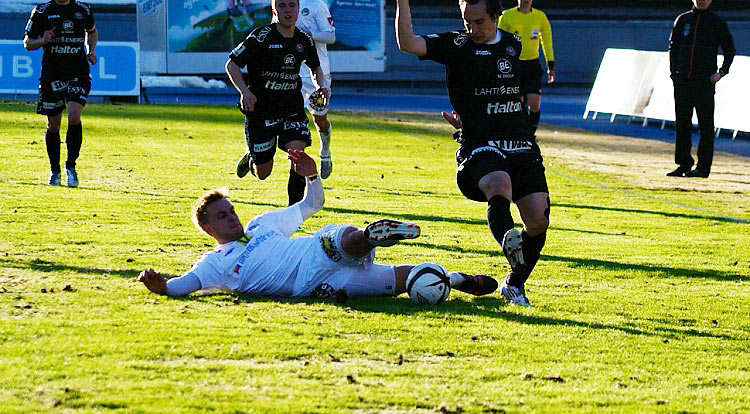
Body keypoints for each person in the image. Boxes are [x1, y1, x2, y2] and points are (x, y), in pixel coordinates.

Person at [394, 0, 551, 308]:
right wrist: (403, 0)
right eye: (467, 21)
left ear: (496, 16)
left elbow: (520, 92)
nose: (473, 28)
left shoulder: (512, 44)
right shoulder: (457, 45)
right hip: (479, 143)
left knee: (539, 218)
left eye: (479, 22)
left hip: (521, 143)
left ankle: (515, 284)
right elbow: (408, 43)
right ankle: (507, 238)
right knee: (499, 183)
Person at [138, 150, 497, 300]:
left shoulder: (262, 225)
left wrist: (311, 175)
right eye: (222, 216)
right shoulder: (214, 262)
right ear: (208, 228)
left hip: (317, 248)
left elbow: (312, 204)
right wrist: (161, 287)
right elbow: (183, 286)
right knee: (410, 282)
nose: (232, 217)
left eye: (231, 210)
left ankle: (371, 237)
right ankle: (456, 280)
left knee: (339, 239)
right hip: (320, 285)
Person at [227, 0, 327, 205]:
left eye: (292, 5)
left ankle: (294, 212)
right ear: (274, 11)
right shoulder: (260, 37)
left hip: (291, 107)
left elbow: (316, 67)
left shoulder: (304, 40)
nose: (288, 10)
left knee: (297, 155)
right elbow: (232, 65)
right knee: (263, 172)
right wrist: (245, 92)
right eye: (281, 6)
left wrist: (322, 85)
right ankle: (253, 156)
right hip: (261, 111)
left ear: (298, 9)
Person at [23, 0, 98, 188]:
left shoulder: (83, 10)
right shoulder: (41, 11)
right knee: (53, 124)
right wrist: (42, 40)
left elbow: (92, 31)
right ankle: (55, 170)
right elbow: (27, 43)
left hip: (78, 72)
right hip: (52, 74)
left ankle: (71, 166)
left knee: (74, 115)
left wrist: (90, 51)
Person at [667, 0, 735, 178]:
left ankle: (703, 167)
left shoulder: (717, 22)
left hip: (704, 82)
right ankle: (683, 163)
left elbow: (729, 49)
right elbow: (674, 48)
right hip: (683, 81)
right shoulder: (682, 20)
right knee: (682, 123)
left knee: (705, 126)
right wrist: (674, 74)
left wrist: (721, 72)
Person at [285, 0, 337, 180]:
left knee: (319, 118)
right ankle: (257, 151)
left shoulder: (316, 5)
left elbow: (331, 36)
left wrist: (307, 35)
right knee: (279, 114)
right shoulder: (282, 5)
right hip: (289, 73)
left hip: (317, 74)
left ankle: (325, 153)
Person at [498, 0, 556, 132]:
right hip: (514, 64)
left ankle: (531, 133)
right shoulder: (507, 16)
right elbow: (498, 39)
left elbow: (547, 42)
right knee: (517, 102)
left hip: (532, 64)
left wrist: (551, 66)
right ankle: (518, 131)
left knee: (534, 103)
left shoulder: (540, 17)